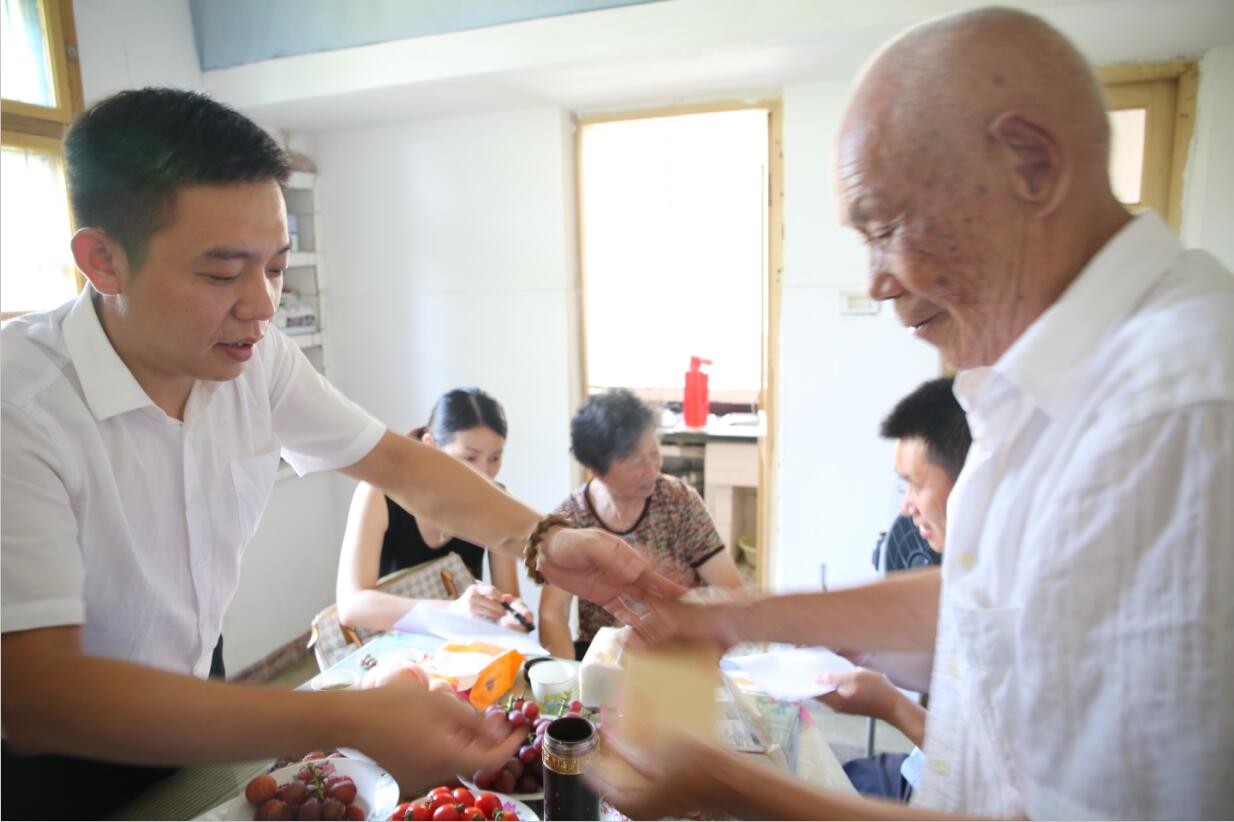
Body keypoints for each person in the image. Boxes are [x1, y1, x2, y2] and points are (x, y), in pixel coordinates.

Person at [592, 7, 1233, 820]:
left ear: (1033, 164)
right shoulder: (1040, 381)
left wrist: (730, 785)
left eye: (887, 227)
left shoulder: (1173, 415)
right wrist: (727, 618)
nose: (877, 281)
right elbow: (984, 600)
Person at [0, 88, 682, 820]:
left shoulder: (254, 359)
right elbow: (40, 697)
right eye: (222, 274)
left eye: (275, 268)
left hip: (189, 694)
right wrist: (345, 715)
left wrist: (545, 539)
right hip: (54, 758)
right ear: (103, 261)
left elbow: (398, 462)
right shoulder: (22, 408)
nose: (262, 305)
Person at [829, 376, 971, 801]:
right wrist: (865, 651)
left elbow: (980, 767)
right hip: (919, 768)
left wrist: (891, 705)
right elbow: (944, 662)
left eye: (917, 485)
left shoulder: (1011, 602)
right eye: (902, 485)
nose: (906, 507)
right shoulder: (965, 572)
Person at [538, 389, 743, 660]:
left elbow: (730, 587)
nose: (652, 469)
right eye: (634, 461)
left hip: (679, 651)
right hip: (604, 658)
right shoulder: (572, 520)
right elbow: (552, 612)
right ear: (596, 470)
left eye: (654, 452)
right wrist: (570, 675)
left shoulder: (679, 502)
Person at [337, 388, 534, 633]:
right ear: (430, 445)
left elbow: (508, 596)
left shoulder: (498, 501)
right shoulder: (378, 494)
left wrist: (513, 612)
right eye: (469, 458)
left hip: (462, 643)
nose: (484, 474)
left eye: (494, 458)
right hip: (392, 643)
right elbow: (351, 605)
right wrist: (452, 609)